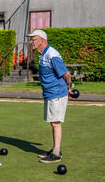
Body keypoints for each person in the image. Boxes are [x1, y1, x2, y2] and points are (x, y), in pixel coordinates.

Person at [27, 29, 74, 163]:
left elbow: (66, 74)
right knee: (53, 122)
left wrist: (68, 88)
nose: (31, 42)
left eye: (33, 39)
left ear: (42, 39)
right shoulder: (43, 54)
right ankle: (55, 149)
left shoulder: (52, 55)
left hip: (57, 93)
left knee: (55, 123)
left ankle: (56, 153)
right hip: (50, 93)